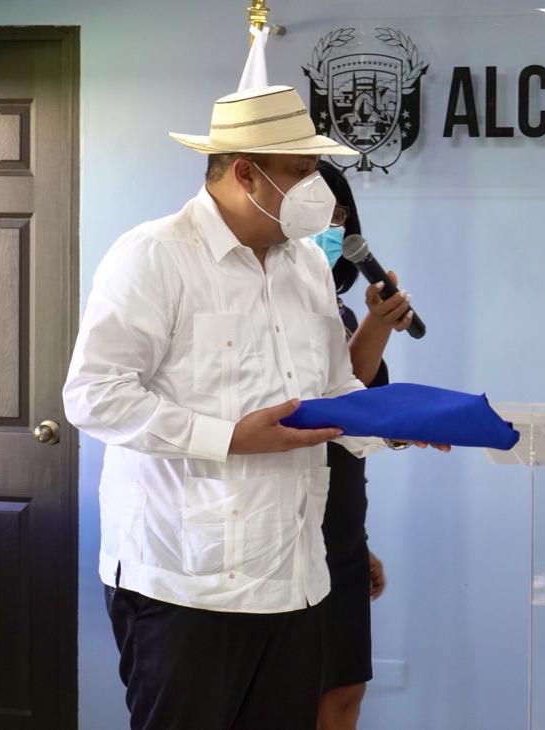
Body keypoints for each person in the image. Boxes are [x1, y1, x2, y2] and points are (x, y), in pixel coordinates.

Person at [62, 85, 436, 730]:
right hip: (184, 579)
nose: (318, 188)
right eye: (303, 171)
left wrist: (394, 423)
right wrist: (228, 436)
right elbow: (94, 395)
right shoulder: (154, 255)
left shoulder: (306, 268)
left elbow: (334, 391)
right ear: (245, 173)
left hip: (292, 574)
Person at [311, 160, 413, 730]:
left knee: (345, 693)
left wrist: (358, 541)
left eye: (339, 214)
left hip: (340, 529)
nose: (331, 226)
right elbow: (324, 411)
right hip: (287, 534)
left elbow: (353, 408)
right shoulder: (267, 312)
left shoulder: (340, 308)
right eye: (317, 214)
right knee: (296, 692)